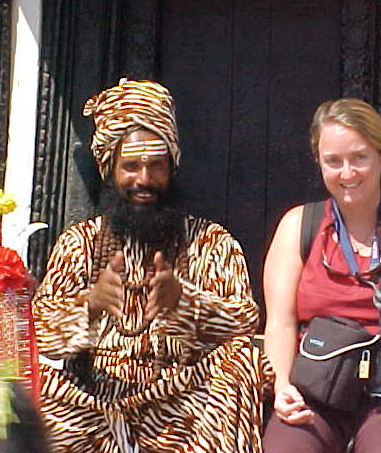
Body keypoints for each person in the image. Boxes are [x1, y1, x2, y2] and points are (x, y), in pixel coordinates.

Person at [33, 78, 273, 452]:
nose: (144, 180)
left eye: (156, 166)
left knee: (239, 361)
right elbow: (42, 336)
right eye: (130, 167)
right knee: (12, 375)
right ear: (109, 168)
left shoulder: (209, 240)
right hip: (89, 408)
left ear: (171, 166)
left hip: (178, 403)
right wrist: (91, 305)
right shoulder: (79, 242)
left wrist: (185, 303)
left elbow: (244, 322)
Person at [262, 98, 381, 453]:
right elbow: (280, 323)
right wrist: (282, 385)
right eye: (333, 161)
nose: (347, 173)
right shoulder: (298, 227)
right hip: (317, 389)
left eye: (359, 158)